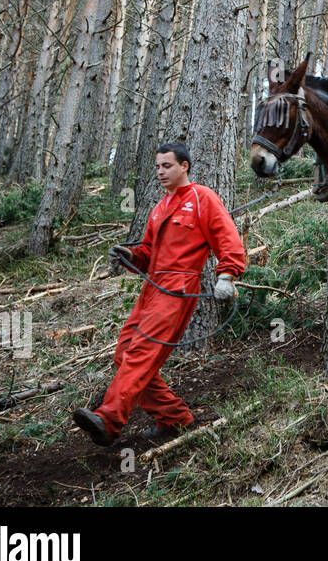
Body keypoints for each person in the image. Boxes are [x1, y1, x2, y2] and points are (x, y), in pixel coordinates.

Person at [72, 142, 246, 447]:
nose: (160, 172)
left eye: (167, 166)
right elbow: (148, 254)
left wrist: (227, 275)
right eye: (157, 167)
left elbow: (227, 238)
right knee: (124, 353)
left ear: (184, 166)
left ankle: (109, 419)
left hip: (178, 290)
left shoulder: (203, 198)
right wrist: (129, 254)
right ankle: (174, 418)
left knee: (140, 352)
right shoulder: (161, 206)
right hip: (152, 289)